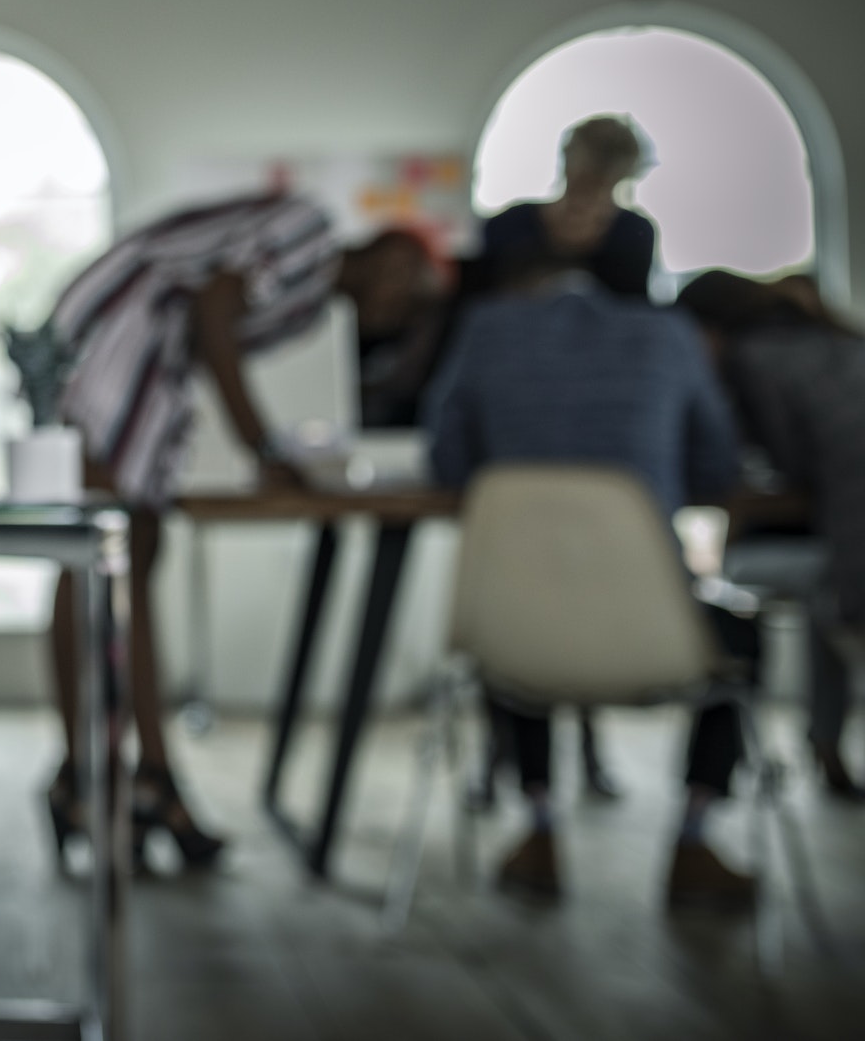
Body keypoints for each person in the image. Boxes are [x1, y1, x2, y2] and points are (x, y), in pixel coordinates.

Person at [42, 198, 441, 870]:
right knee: (105, 555)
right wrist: (262, 448)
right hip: (121, 327)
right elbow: (213, 309)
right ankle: (100, 775)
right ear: (393, 261)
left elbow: (209, 328)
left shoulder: (313, 303)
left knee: (127, 554)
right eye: (410, 296)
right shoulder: (310, 229)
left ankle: (131, 776)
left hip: (148, 343)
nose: (400, 315)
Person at [424, 262, 760, 910]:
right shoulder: (671, 335)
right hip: (654, 627)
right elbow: (717, 465)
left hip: (517, 634)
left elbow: (448, 462)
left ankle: (540, 825)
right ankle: (694, 835)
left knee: (517, 622)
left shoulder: (485, 332)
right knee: (741, 630)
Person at [678, 269, 865, 801]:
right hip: (843, 542)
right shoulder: (834, 341)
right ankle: (825, 748)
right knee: (818, 586)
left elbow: (788, 465)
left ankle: (708, 792)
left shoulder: (753, 359)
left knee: (725, 586)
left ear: (707, 330)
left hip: (847, 554)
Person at [479, 114, 656, 298]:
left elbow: (636, 313)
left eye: (599, 185)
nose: (584, 202)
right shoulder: (508, 225)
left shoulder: (634, 235)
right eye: (582, 183)